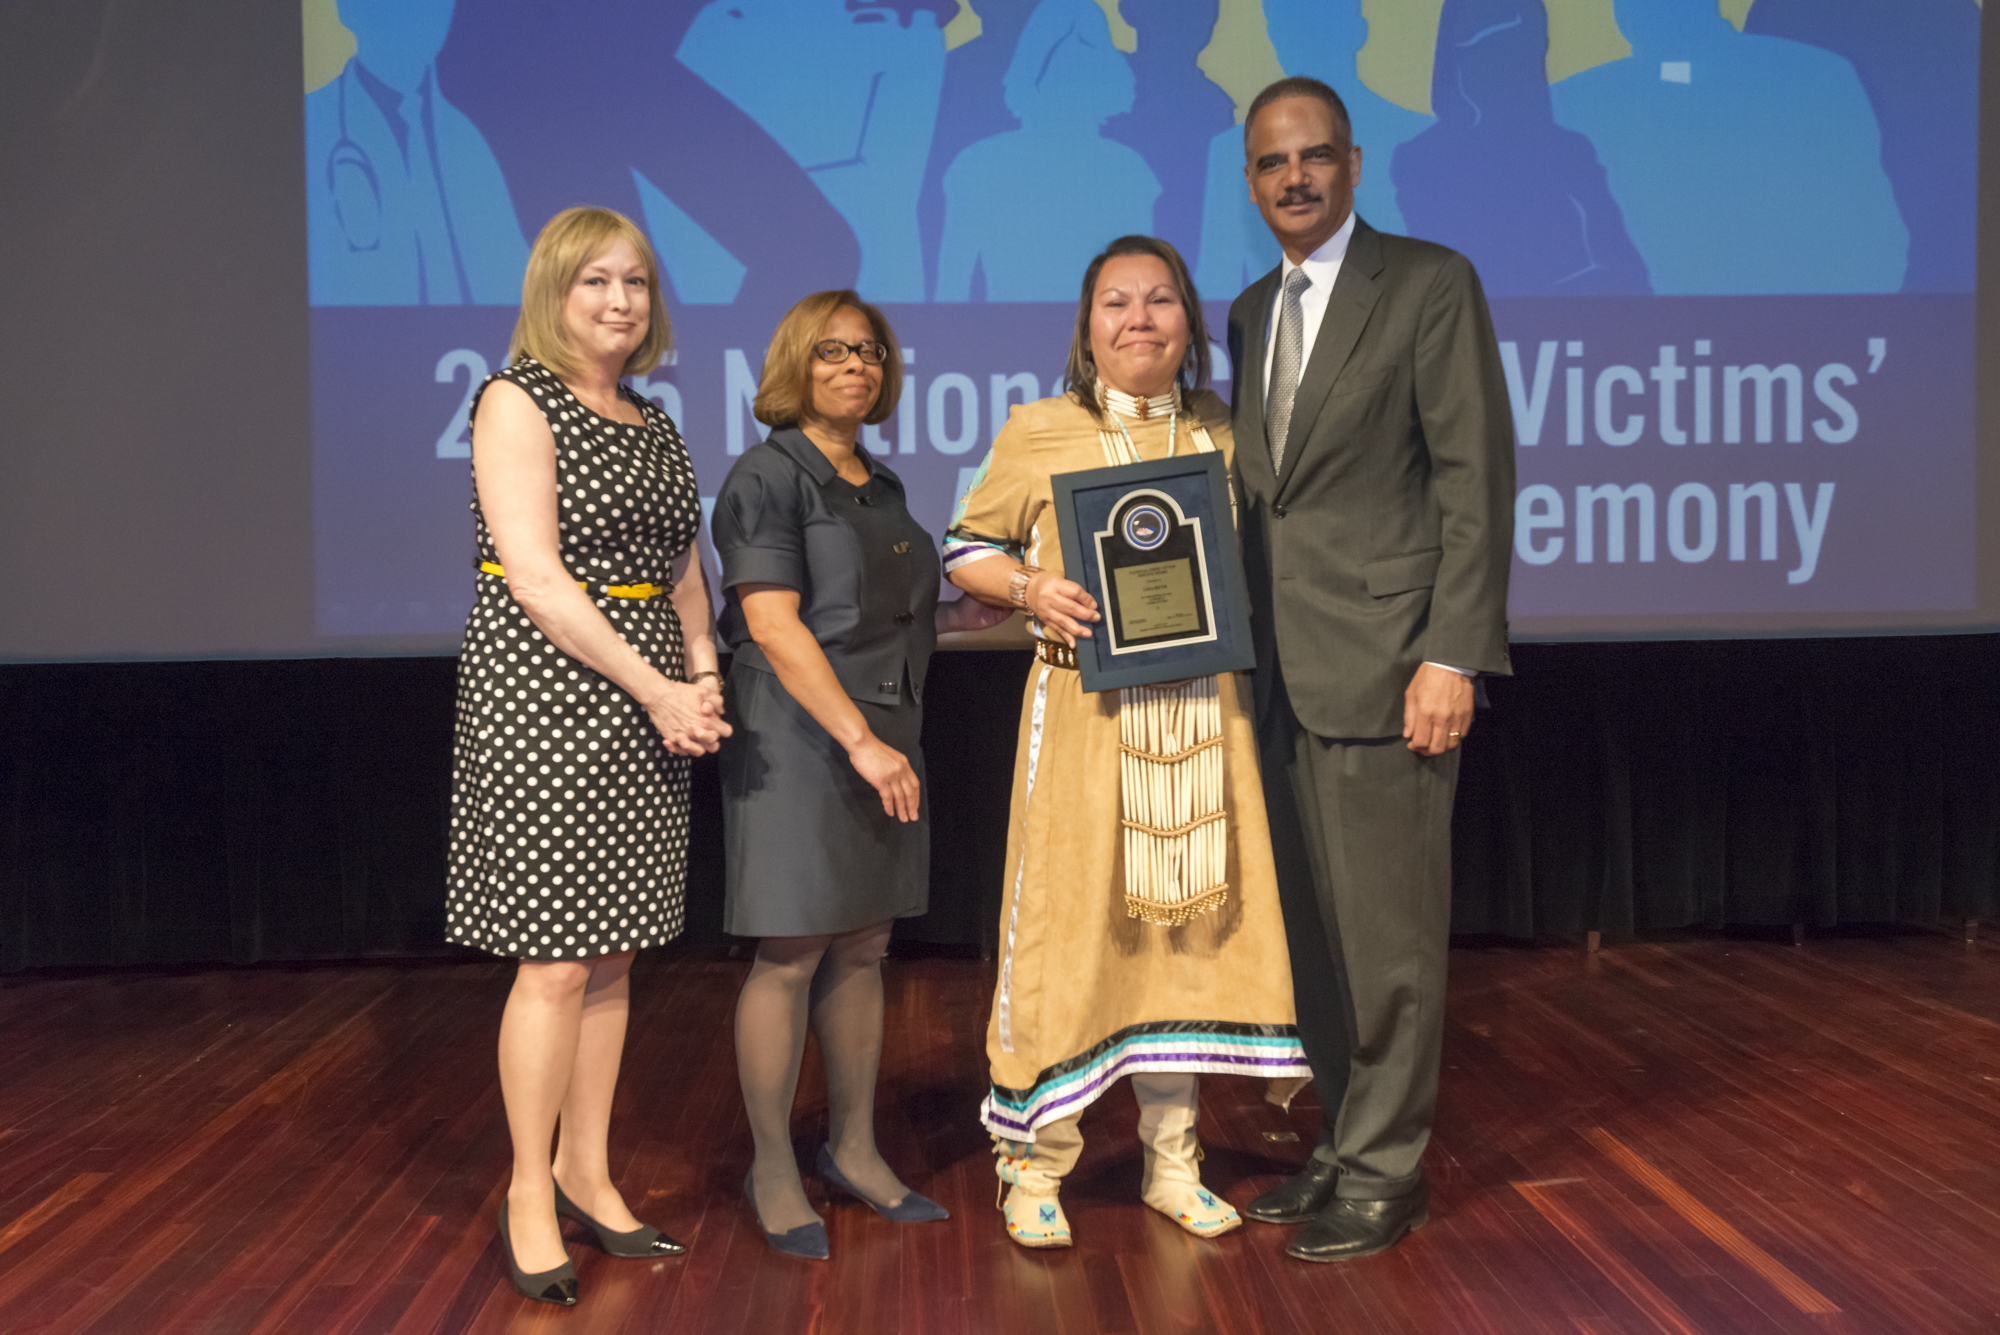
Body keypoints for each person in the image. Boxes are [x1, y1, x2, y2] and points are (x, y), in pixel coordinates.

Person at [945, 236, 1310, 1248]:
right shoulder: (1037, 429)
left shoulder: (1228, 433)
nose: (1137, 319)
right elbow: (966, 546)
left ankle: (1172, 1161)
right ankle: (1035, 1168)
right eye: (1115, 302)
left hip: (1206, 721)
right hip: (1081, 723)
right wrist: (1029, 589)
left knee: (1185, 935)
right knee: (1068, 938)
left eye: (1158, 301)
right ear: (1085, 323)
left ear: (1189, 324)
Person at [1225, 76, 1515, 1263]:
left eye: (1311, 158)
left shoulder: (1429, 283)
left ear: (1353, 162)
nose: (1290, 180)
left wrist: (1451, 651)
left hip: (1392, 669)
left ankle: (1388, 1174)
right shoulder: (1247, 309)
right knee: (1319, 948)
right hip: (1278, 677)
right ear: (1248, 180)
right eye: (1267, 165)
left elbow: (1473, 482)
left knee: (1388, 948)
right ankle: (1342, 1145)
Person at [445, 206, 728, 1306]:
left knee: (613, 957)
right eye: (594, 283)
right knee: (556, 961)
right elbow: (538, 577)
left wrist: (702, 671)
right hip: (548, 696)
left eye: (636, 284)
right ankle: (528, 1190)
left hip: (650, 698)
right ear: (552, 294)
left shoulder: (653, 421)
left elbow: (682, 566)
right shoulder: (517, 399)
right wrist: (660, 685)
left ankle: (589, 1173)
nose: (619, 302)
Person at [713, 292, 1012, 1260]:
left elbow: (899, 613)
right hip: (805, 736)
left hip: (884, 730)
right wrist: (857, 741)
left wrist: (989, 616)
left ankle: (854, 1149)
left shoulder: (877, 485)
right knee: (792, 950)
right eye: (834, 351)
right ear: (796, 363)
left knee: (864, 948)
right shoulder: (766, 475)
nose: (856, 366)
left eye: (870, 352)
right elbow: (771, 623)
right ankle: (771, 1166)